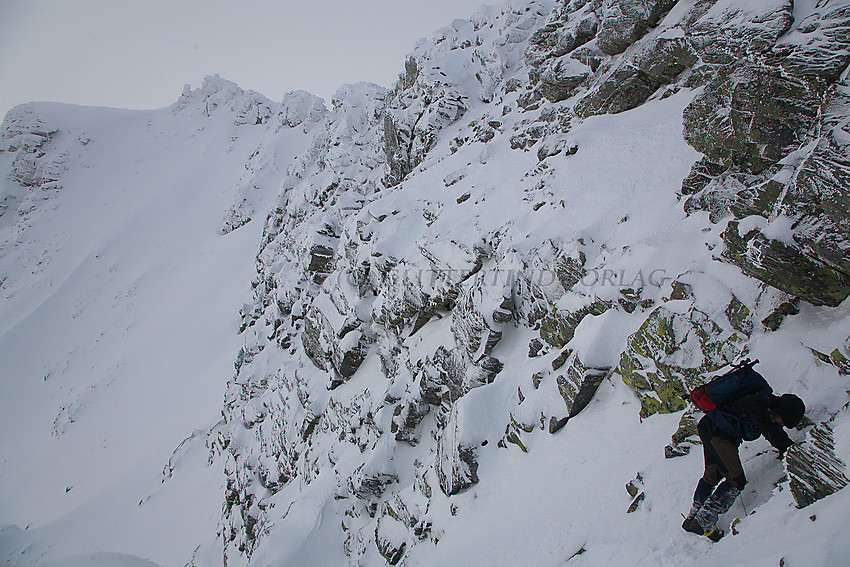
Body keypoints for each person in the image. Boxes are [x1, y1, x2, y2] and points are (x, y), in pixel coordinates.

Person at [682, 391, 806, 541]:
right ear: (782, 412)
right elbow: (772, 432)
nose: (781, 424)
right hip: (718, 435)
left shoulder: (761, 403)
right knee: (736, 480)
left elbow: (772, 429)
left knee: (712, 474)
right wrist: (792, 452)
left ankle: (693, 518)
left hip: (709, 427)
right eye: (783, 421)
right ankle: (703, 520)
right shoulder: (760, 407)